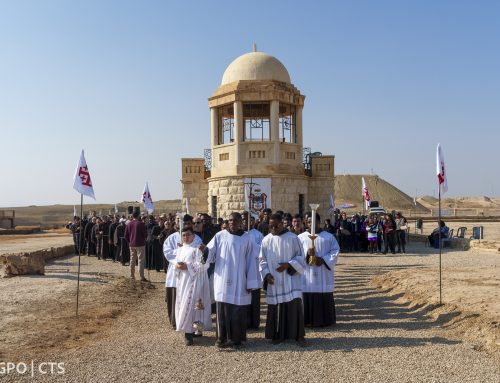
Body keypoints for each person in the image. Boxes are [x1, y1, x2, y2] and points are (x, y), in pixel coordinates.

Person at [203, 212, 259, 348]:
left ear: (241, 222)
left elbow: (252, 261)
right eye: (230, 220)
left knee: (237, 310)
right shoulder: (220, 236)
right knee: (222, 309)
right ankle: (221, 338)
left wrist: (251, 281)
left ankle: (237, 339)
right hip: (222, 277)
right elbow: (211, 253)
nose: (232, 223)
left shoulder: (247, 238)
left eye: (235, 220)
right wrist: (204, 251)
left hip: (240, 279)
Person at [259, 213, 306, 345]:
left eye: (275, 226)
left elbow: (301, 257)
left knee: (294, 306)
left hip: (291, 279)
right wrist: (267, 275)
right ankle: (277, 334)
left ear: (282, 224)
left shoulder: (292, 238)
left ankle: (298, 335)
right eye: (271, 226)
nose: (273, 229)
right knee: (276, 308)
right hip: (274, 280)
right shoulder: (266, 240)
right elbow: (262, 261)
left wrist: (289, 265)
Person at [298, 211, 340, 327]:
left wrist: (323, 260)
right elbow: (295, 255)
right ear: (306, 222)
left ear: (319, 222)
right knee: (306, 294)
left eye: (314, 221)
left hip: (323, 274)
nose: (311, 224)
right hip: (307, 274)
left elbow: (335, 251)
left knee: (323, 294)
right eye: (309, 221)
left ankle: (325, 320)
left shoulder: (328, 237)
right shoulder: (300, 238)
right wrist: (306, 255)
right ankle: (306, 320)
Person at [163, 214, 202, 329]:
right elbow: (167, 252)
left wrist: (186, 257)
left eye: (189, 223)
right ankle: (175, 322)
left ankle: (192, 325)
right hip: (176, 272)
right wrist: (179, 253)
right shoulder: (172, 237)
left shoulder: (197, 239)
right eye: (183, 223)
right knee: (175, 298)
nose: (186, 225)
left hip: (191, 275)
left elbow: (199, 254)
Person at [175, 227, 212, 346]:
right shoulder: (180, 249)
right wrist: (178, 266)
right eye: (184, 235)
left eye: (188, 235)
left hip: (196, 281)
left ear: (193, 236)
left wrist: (188, 267)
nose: (186, 237)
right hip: (183, 281)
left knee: (194, 306)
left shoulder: (197, 248)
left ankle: (196, 330)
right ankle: (187, 332)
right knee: (185, 305)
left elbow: (204, 264)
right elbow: (176, 262)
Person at [124, 210, 148, 281]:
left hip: (132, 244)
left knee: (132, 260)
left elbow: (126, 235)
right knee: (140, 260)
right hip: (140, 244)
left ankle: (132, 276)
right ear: (138, 215)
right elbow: (145, 234)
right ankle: (141, 276)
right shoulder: (141, 224)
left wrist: (130, 241)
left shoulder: (129, 224)